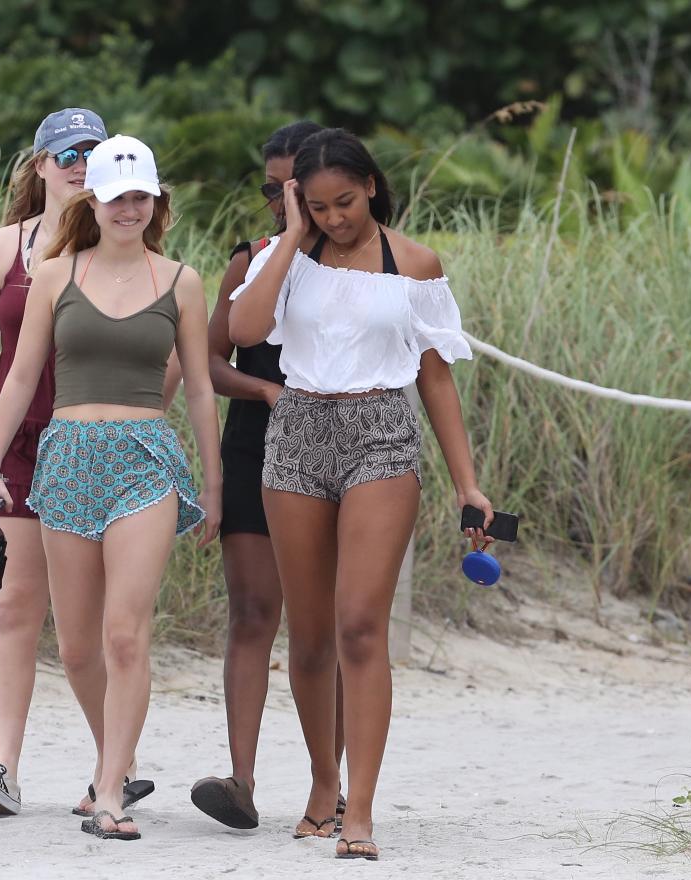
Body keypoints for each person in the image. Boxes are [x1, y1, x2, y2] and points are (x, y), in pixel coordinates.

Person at [228, 128, 493, 861]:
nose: (335, 217)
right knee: (309, 639)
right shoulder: (286, 258)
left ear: (371, 186)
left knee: (358, 628)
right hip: (298, 429)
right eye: (318, 205)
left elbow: (436, 376)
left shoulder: (414, 265)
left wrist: (468, 483)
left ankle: (362, 811)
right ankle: (323, 786)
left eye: (345, 201)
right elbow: (243, 328)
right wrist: (290, 236)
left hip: (381, 430)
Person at [0, 134, 222, 841]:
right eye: (116, 197)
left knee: (124, 633)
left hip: (144, 458)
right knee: (77, 646)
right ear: (94, 201)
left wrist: (217, 483)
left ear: (157, 202)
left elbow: (200, 390)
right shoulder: (55, 274)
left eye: (142, 196)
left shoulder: (182, 280)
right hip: (67, 456)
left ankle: (110, 792)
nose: (129, 208)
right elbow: (18, 377)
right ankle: (113, 770)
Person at [0, 108, 152, 817]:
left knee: (91, 631)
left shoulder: (128, 240)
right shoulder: (1, 247)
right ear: (37, 165)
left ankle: (115, 766)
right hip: (17, 443)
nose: (77, 161)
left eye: (91, 151)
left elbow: (163, 353)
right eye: (64, 151)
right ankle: (3, 766)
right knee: (11, 606)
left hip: (97, 444)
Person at [190, 120, 350, 837]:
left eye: (293, 188)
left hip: (342, 450)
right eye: (270, 189)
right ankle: (242, 781)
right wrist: (265, 393)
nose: (281, 200)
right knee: (254, 613)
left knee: (334, 626)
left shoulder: (365, 259)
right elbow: (211, 360)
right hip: (258, 443)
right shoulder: (250, 258)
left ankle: (333, 784)